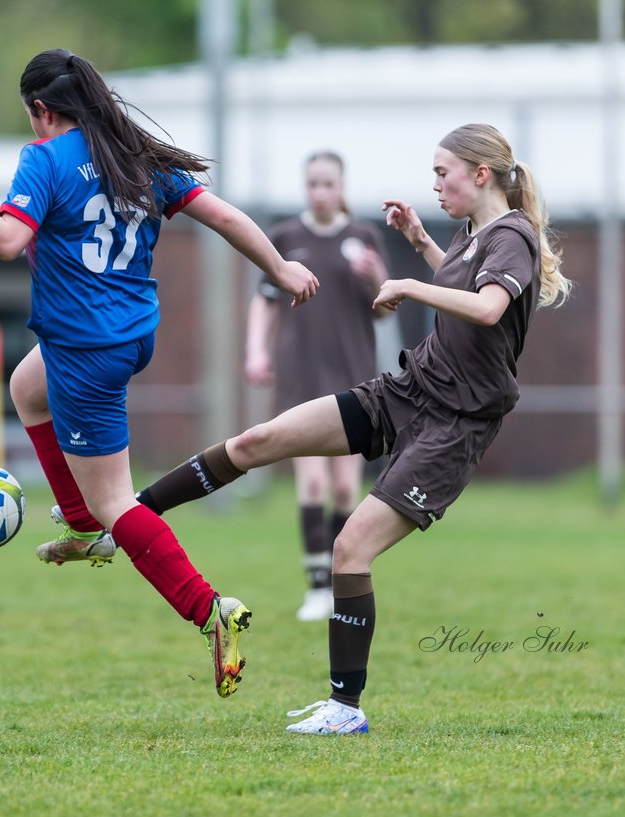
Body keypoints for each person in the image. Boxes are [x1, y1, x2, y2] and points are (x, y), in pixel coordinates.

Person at [0, 48, 317, 698]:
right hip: (129, 334)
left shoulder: (46, 159)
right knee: (26, 388)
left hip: (85, 349)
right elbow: (221, 215)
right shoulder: (134, 152)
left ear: (42, 109)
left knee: (120, 502)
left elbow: (4, 242)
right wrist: (278, 268)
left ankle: (207, 609)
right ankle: (83, 525)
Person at [133, 123, 572, 732]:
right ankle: (133, 517)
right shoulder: (476, 236)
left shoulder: (514, 236)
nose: (435, 185)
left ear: (480, 174)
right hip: (409, 391)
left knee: (351, 549)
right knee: (260, 439)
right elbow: (465, 286)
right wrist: (421, 243)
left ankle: (346, 708)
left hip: (455, 424)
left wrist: (408, 283)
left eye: (443, 173)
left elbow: (489, 307)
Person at [245, 151, 391, 621]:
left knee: (346, 487)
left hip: (354, 374)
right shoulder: (287, 236)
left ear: (342, 186)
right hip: (301, 374)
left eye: (329, 183)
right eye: (313, 184)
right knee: (310, 481)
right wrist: (257, 351)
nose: (321, 192)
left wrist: (375, 277)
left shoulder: (364, 238)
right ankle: (313, 588)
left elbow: (387, 307)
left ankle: (336, 583)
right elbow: (264, 302)